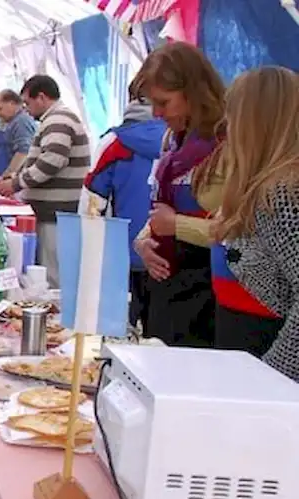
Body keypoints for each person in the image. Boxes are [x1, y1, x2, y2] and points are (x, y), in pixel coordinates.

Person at [126, 42, 227, 347]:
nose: (156, 113)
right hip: (166, 289)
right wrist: (143, 241)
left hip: (207, 297)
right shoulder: (173, 141)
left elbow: (238, 232)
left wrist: (177, 225)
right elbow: (161, 210)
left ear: (194, 93)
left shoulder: (228, 147)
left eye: (164, 102)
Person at [214, 65, 299, 379]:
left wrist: (272, 379)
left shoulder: (282, 193)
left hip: (266, 370)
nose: (227, 125)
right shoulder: (263, 187)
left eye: (233, 114)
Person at [0, 75, 92, 288]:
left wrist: (16, 183)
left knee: (51, 275)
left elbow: (52, 160)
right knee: (48, 271)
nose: (26, 109)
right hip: (53, 210)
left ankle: (53, 319)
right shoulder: (56, 118)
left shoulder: (58, 119)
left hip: (56, 212)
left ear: (41, 97)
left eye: (27, 103)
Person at [85, 96, 166, 332]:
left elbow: (91, 203)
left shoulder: (115, 142)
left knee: (118, 336)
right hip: (170, 259)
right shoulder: (182, 140)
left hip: (121, 257)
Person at [0, 89, 38, 177]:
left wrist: (6, 176)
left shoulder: (21, 122)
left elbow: (23, 152)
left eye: (0, 109)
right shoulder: (11, 122)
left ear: (12, 103)